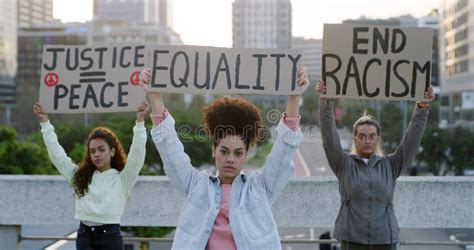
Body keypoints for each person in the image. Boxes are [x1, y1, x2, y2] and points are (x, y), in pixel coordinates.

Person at [140, 68, 308, 249]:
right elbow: (170, 150)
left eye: (238, 153)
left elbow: (283, 151)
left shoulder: (260, 188)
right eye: (224, 151)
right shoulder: (196, 185)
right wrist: (154, 93)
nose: (230, 159)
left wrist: (295, 97)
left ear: (246, 155)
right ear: (213, 150)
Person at [315, 81, 434, 250]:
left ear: (378, 138)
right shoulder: (343, 164)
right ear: (355, 139)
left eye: (372, 136)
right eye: (362, 136)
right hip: (352, 240)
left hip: (385, 240)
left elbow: (412, 140)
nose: (367, 140)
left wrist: (422, 108)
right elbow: (329, 136)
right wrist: (325, 102)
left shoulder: (391, 165)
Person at [33, 101, 149, 250]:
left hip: (110, 236)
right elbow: (58, 157)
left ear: (112, 151)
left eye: (101, 149)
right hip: (84, 236)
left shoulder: (122, 179)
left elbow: (137, 154)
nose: (97, 154)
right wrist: (45, 123)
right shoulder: (80, 176)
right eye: (92, 151)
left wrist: (140, 121)